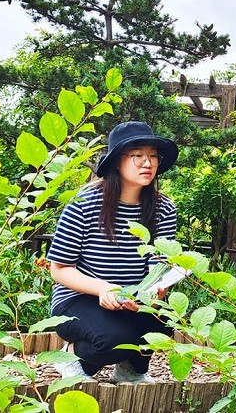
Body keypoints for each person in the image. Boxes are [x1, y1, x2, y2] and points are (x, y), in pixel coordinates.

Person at [47, 121, 179, 383]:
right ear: (117, 161)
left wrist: (157, 287)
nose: (147, 163)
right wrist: (103, 289)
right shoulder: (84, 204)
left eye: (153, 156)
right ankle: (73, 357)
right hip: (79, 298)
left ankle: (130, 368)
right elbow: (59, 269)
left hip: (133, 295)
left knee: (163, 323)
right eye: (137, 155)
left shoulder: (163, 207)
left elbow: (159, 261)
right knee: (113, 339)